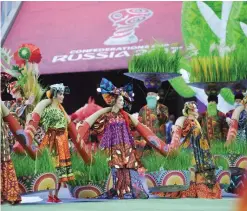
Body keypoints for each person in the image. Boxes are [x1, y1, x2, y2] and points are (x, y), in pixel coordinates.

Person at [129, 101, 222, 199]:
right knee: (190, 168)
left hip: (201, 150)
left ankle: (203, 190)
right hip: (189, 150)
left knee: (204, 170)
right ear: (190, 110)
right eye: (195, 108)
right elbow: (176, 136)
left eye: (196, 108)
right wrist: (173, 147)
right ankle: (189, 190)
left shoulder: (197, 121)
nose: (197, 110)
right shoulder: (182, 119)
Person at [76, 78, 149, 199]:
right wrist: (80, 126)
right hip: (112, 145)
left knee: (128, 165)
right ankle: (115, 189)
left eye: (123, 100)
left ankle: (131, 190)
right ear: (114, 100)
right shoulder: (106, 115)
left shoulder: (124, 116)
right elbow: (97, 127)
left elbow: (134, 127)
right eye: (120, 100)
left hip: (125, 145)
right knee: (114, 166)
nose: (122, 102)